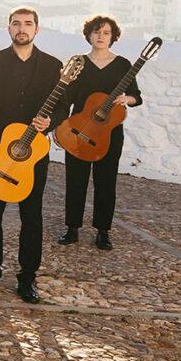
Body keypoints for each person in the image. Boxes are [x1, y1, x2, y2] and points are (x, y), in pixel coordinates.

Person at [0, 7, 63, 304]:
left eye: (28, 24)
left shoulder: (52, 65)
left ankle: (28, 278)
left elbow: (63, 107)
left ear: (37, 29)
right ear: (9, 29)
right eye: (16, 24)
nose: (22, 28)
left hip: (33, 155)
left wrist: (52, 122)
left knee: (31, 216)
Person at [57, 14, 143, 251]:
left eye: (106, 32)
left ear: (113, 36)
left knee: (106, 181)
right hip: (78, 130)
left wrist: (128, 98)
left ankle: (103, 231)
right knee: (75, 180)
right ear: (89, 35)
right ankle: (72, 228)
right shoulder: (79, 63)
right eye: (96, 32)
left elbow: (137, 96)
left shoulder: (123, 65)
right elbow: (67, 99)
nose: (101, 36)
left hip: (109, 132)